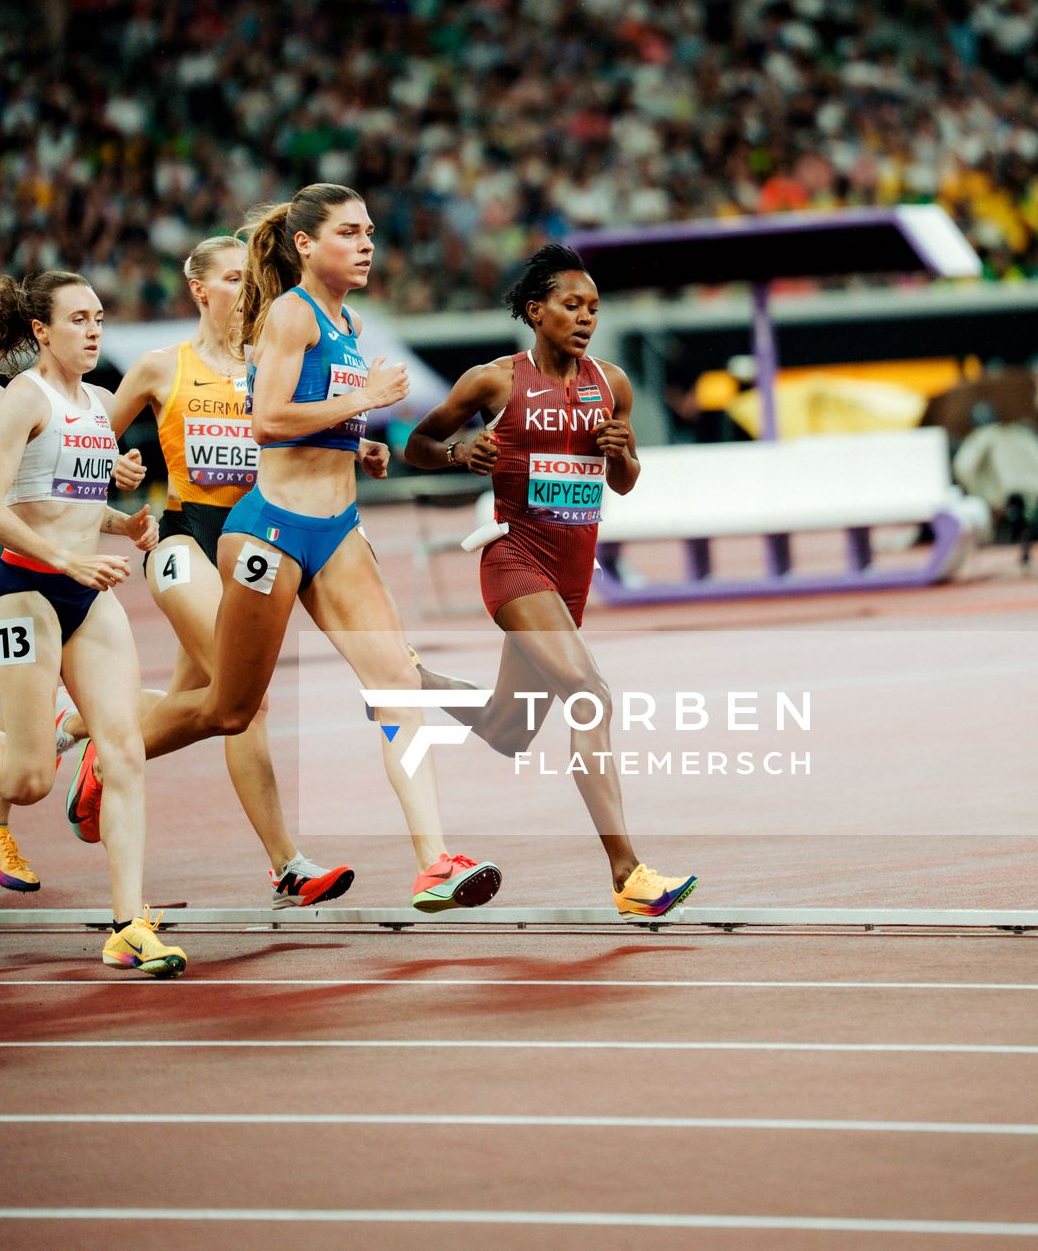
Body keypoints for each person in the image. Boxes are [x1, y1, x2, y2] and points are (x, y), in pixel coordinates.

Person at [139, 183, 501, 913]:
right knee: (230, 710)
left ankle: (434, 862)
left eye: (369, 231)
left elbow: (316, 416)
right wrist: (366, 400)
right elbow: (269, 421)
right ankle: (98, 738)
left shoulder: (349, 320)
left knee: (395, 683)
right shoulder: (290, 313)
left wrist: (357, 443)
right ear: (305, 245)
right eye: (348, 233)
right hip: (270, 531)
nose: (366, 245)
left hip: (337, 532)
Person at [59, 236, 354, 907]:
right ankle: (287, 866)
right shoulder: (162, 367)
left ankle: (93, 733)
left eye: (252, 278)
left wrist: (356, 450)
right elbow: (77, 442)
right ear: (199, 290)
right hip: (183, 540)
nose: (248, 289)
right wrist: (112, 466)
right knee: (245, 700)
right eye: (232, 278)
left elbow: (301, 437)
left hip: (254, 545)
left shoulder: (271, 364)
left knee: (207, 704)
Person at [406, 242, 697, 919]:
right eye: (572, 305)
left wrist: (621, 456)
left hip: (571, 578)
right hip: (515, 562)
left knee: (508, 727)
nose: (586, 317)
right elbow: (417, 445)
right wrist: (459, 453)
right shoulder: (492, 382)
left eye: (594, 307)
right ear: (536, 312)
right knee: (590, 695)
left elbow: (625, 481)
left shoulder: (611, 384)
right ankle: (628, 875)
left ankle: (406, 677)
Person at [0, 271, 186, 976]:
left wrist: (123, 523)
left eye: (98, 317)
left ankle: (129, 925)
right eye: (78, 319)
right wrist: (65, 557)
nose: (94, 329)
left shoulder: (98, 403)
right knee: (28, 778)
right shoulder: (22, 397)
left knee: (123, 750)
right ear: (41, 331)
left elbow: (65, 497)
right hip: (25, 593)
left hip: (85, 595)